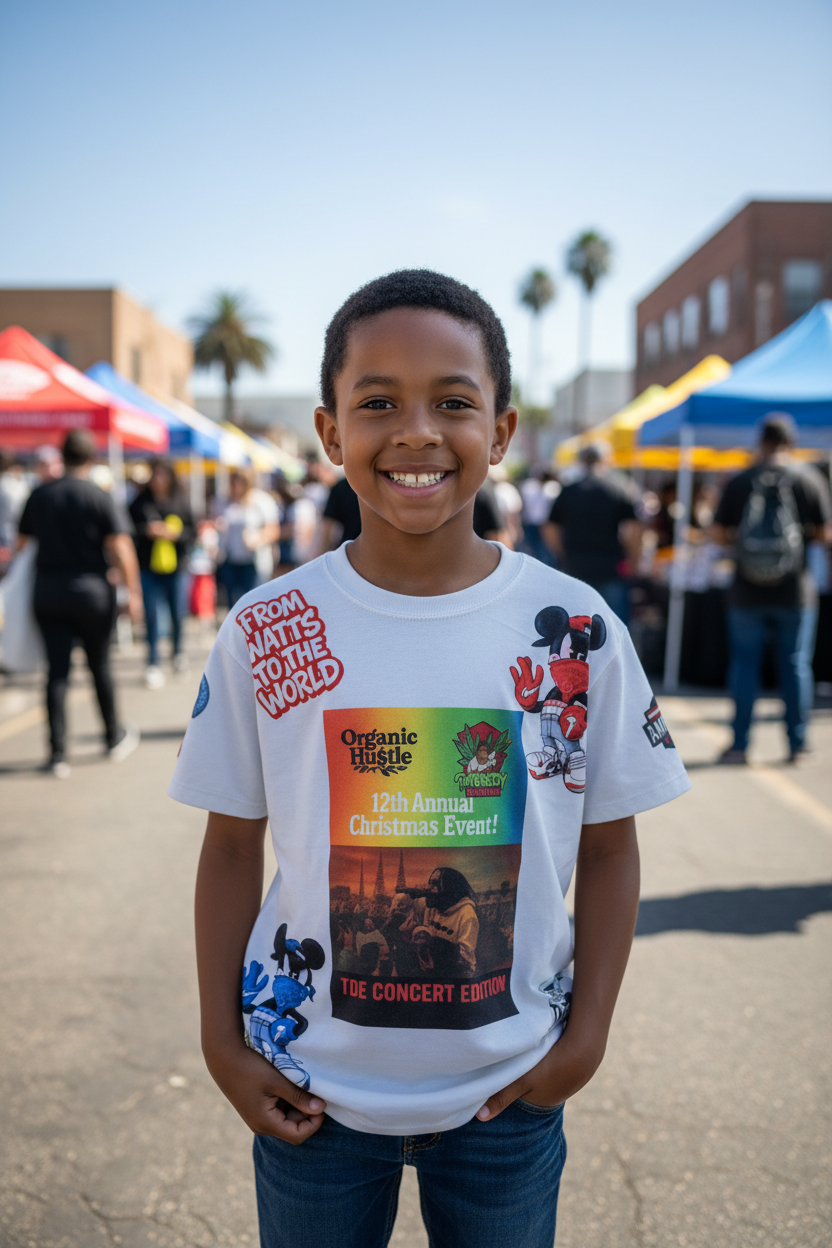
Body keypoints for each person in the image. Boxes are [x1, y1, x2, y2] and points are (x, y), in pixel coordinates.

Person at [170, 270, 690, 1248]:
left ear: (500, 432)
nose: (415, 433)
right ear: (331, 435)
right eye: (378, 404)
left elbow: (610, 846)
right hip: (306, 1093)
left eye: (452, 401)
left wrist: (585, 1039)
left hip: (508, 1092)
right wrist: (219, 1042)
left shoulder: (575, 630)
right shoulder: (268, 629)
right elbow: (232, 848)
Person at [16, 430, 141, 778]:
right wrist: (134, 594)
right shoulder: (99, 497)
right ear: (92, 458)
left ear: (62, 455)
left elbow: (22, 543)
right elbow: (120, 547)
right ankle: (112, 736)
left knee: (56, 673)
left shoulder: (39, 494)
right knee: (99, 666)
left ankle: (57, 752)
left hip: (48, 592)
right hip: (91, 594)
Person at [712, 415, 832, 764]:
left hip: (746, 591)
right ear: (790, 443)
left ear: (760, 442)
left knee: (745, 664)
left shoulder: (740, 481)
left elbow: (719, 534)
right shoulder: (807, 479)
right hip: (795, 590)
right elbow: (825, 534)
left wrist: (744, 546)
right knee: (795, 664)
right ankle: (797, 744)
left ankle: (739, 744)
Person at [543, 443, 642, 623]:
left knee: (575, 630)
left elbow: (550, 529)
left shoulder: (568, 490)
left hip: (575, 566)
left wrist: (563, 553)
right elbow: (633, 531)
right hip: (609, 567)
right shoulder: (618, 489)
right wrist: (633, 560)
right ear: (605, 460)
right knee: (612, 628)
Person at [129, 460, 195, 689]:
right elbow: (129, 531)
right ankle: (153, 662)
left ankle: (178, 653)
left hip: (176, 569)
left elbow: (192, 532)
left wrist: (174, 535)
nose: (158, 481)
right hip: (149, 568)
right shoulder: (140, 502)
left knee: (177, 613)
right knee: (152, 616)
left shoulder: (181, 501)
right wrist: (147, 531)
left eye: (162, 476)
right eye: (155, 476)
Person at [215, 469, 280, 607]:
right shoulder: (224, 502)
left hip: (253, 561)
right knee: (232, 603)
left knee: (254, 603)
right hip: (229, 559)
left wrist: (258, 538)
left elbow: (274, 529)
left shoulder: (260, 500)